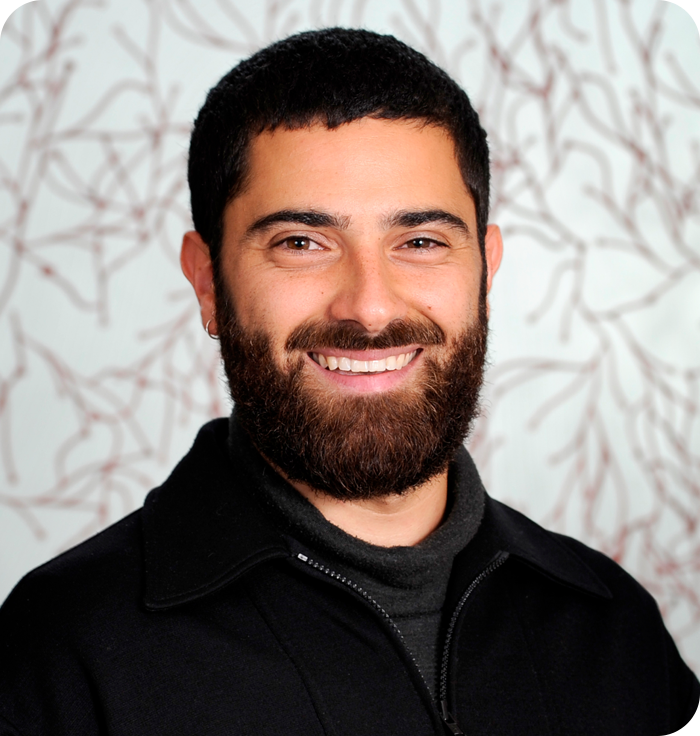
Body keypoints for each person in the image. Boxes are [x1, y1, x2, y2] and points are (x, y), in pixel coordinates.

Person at [0, 27, 698, 736]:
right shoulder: (64, 652)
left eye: (420, 242)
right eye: (302, 243)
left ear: (485, 269)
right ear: (208, 280)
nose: (369, 306)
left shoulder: (614, 631)